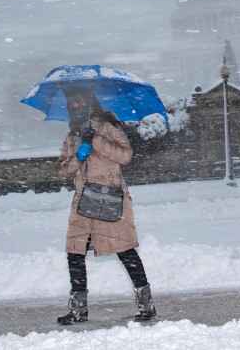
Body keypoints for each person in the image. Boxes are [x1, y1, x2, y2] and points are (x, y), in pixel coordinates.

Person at [54, 87, 156, 325]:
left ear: (90, 103)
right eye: (71, 104)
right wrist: (78, 157)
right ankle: (78, 310)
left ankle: (146, 305)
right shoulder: (71, 136)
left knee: (125, 250)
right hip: (82, 204)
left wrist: (96, 140)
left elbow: (125, 156)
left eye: (79, 102)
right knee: (75, 254)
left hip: (111, 200)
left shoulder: (109, 127)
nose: (75, 107)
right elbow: (61, 171)